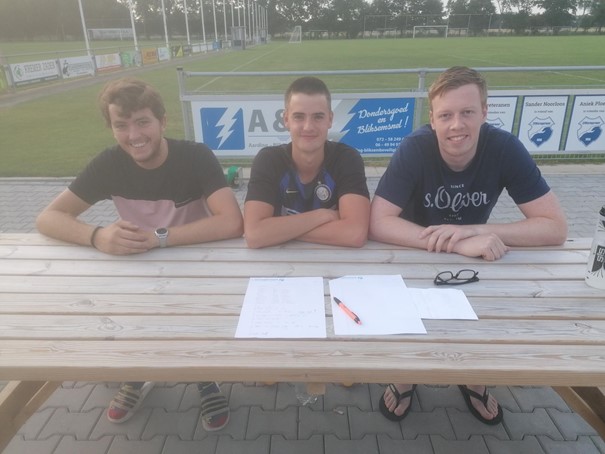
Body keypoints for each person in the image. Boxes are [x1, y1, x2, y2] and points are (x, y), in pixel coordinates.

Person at [36, 77, 243, 430]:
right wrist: (97, 236)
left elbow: (232, 222)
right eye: (122, 125)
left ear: (162, 122)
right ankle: (136, 374)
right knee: (131, 319)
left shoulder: (195, 157)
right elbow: (48, 218)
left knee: (195, 323)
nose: (134, 135)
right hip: (138, 265)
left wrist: (159, 237)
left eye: (143, 122)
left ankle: (204, 378)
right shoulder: (108, 164)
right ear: (111, 128)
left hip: (195, 262)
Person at [369, 66, 568, 425]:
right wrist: (456, 243)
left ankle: (473, 376)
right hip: (413, 248)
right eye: (445, 115)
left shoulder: (504, 147)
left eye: (467, 112)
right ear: (432, 119)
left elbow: (555, 227)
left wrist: (473, 231)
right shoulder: (415, 148)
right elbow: (378, 222)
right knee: (407, 318)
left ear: (485, 112)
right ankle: (405, 376)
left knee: (481, 313)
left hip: (474, 255)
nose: (456, 125)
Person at [244, 76, 370, 248]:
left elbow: (354, 233)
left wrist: (278, 230)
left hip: (337, 260)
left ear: (330, 119)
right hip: (277, 260)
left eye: (318, 117)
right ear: (286, 119)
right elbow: (254, 234)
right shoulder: (269, 160)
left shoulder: (347, 159)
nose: (308, 127)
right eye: (299, 117)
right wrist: (322, 216)